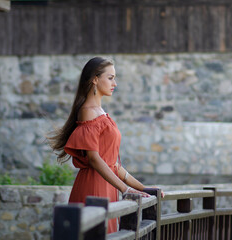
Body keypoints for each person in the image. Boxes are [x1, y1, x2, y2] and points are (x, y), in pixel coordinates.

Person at [49, 57, 164, 233]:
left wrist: (143, 188)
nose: (115, 83)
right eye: (110, 78)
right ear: (95, 79)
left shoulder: (100, 112)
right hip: (94, 185)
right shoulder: (87, 112)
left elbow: (114, 165)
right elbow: (94, 159)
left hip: (107, 184)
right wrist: (125, 190)